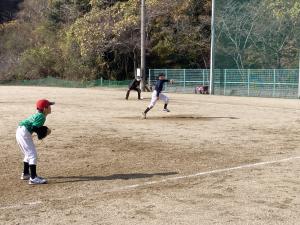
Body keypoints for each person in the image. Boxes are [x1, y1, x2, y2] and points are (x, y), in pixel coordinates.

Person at [16, 99, 54, 184]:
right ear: (45, 108)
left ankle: (26, 173)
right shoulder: (41, 116)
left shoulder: (38, 115)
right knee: (32, 155)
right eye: (49, 106)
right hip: (24, 133)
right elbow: (34, 127)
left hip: (20, 131)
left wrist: (41, 131)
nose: (51, 108)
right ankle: (33, 178)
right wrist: (44, 131)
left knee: (28, 154)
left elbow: (34, 127)